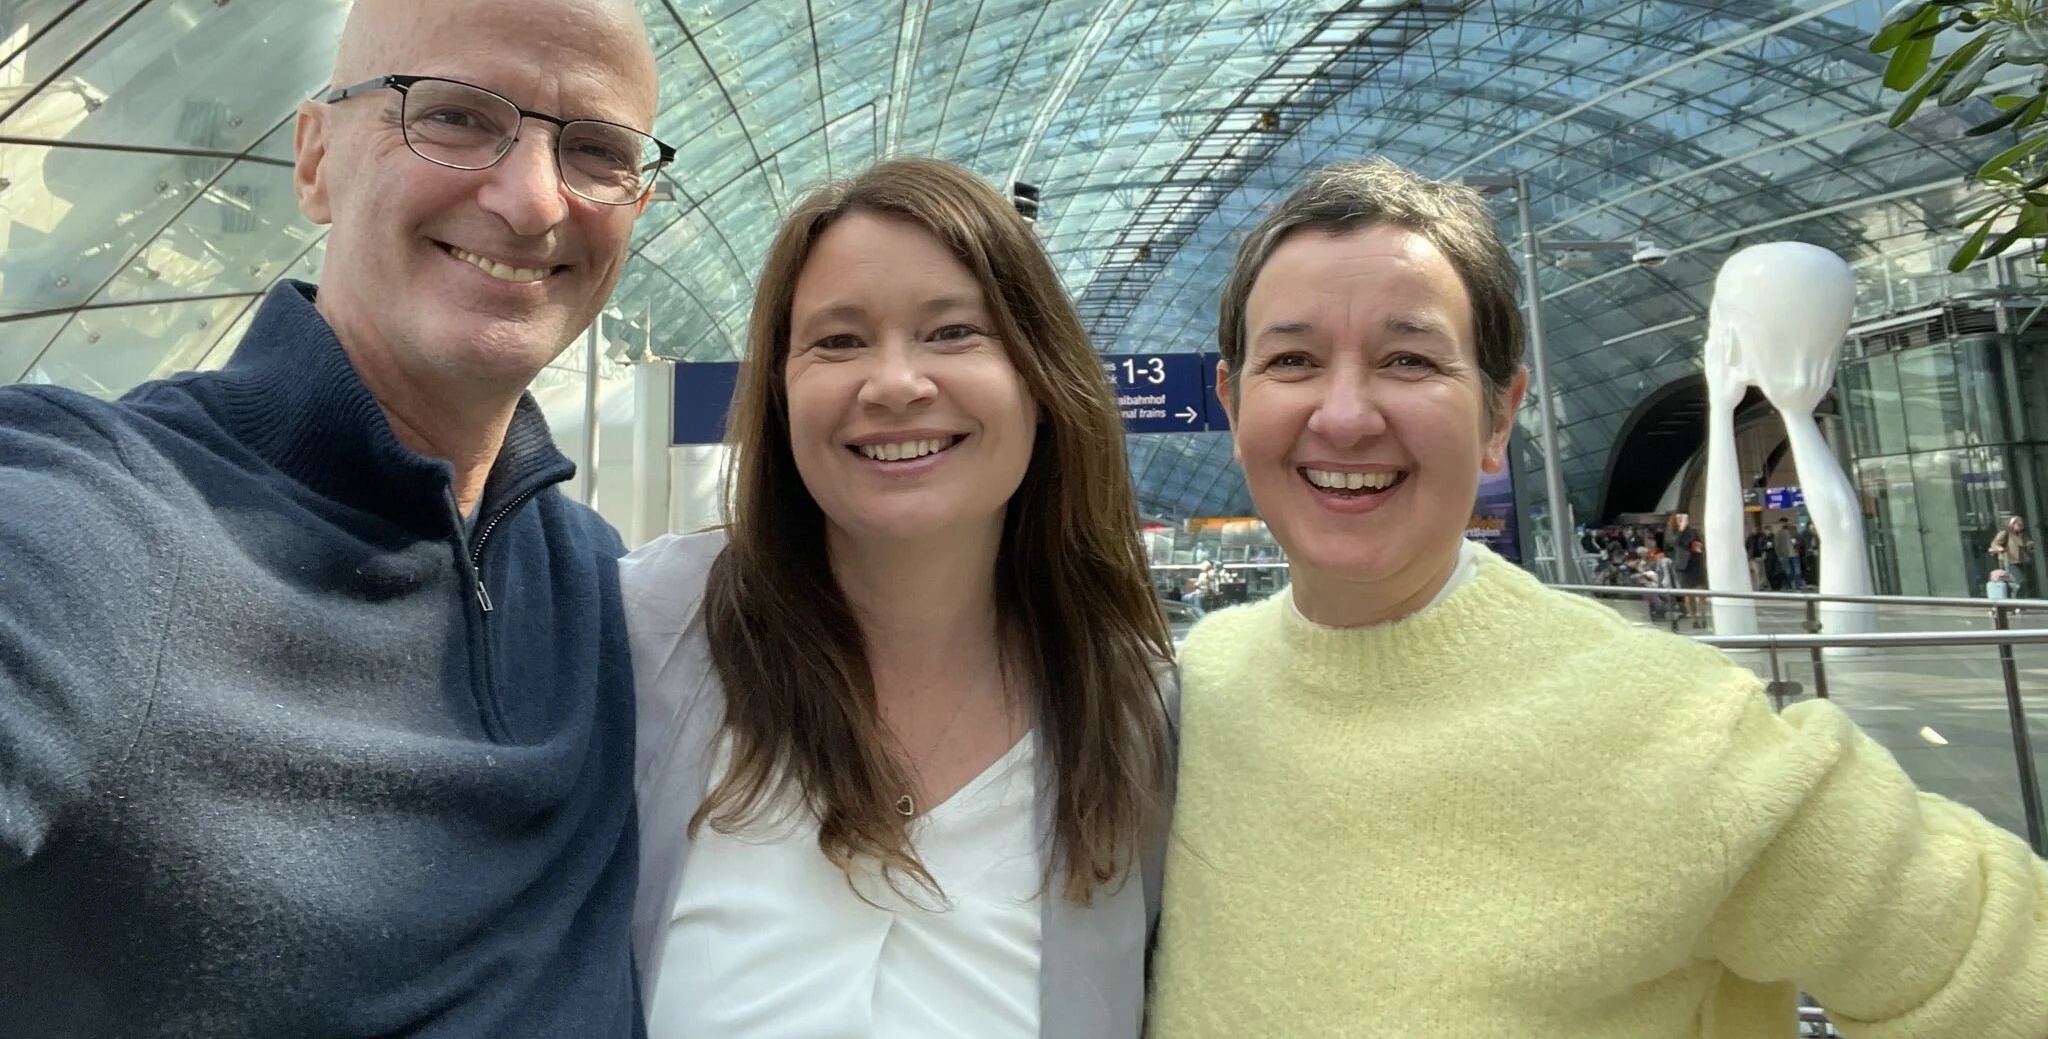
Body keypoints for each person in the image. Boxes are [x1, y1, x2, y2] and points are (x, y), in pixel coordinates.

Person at [1150, 158, 2048, 1038]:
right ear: (1235, 404)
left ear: (1500, 417)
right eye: (1295, 359)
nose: (1344, 417)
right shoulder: (1196, 690)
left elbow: (2001, 975)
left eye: (1409, 359)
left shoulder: (1684, 733)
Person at [0, 0, 665, 1037]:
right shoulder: (108, 528)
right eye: (455, 114)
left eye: (596, 149)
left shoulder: (594, 583)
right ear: (314, 158)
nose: (534, 201)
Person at [621, 158, 1175, 1038]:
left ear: (1041, 382)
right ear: (780, 393)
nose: (894, 383)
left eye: (954, 332)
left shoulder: (1136, 713)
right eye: (838, 342)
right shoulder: (646, 635)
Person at [1992, 512, 2035, 596]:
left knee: (2023, 582)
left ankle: (2019, 600)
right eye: (2019, 525)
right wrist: (2001, 549)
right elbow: (1995, 544)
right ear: (2012, 525)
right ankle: (2015, 600)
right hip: (2010, 560)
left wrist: (2029, 545)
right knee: (2019, 581)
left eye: (2022, 525)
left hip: (2021, 560)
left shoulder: (2022, 534)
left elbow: (2026, 544)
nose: (2021, 527)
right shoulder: (2005, 533)